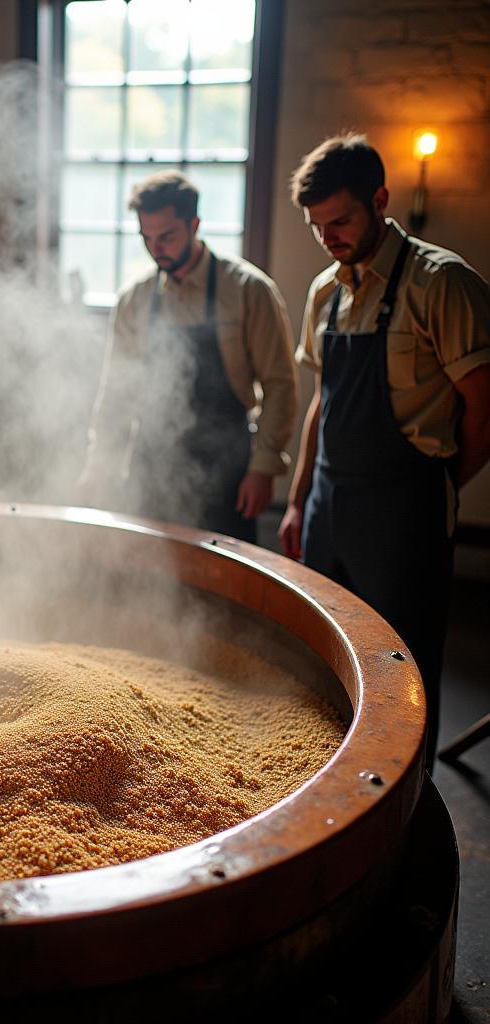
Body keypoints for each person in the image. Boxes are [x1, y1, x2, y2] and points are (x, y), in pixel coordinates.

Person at [279, 133, 490, 765]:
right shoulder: (326, 291)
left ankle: (404, 805)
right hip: (329, 502)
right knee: (323, 652)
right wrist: (297, 501)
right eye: (318, 226)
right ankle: (325, 781)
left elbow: (484, 404)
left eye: (340, 220)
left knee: (404, 670)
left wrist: (443, 488)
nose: (329, 237)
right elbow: (325, 401)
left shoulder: (441, 282)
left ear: (380, 199)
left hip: (404, 507)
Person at [78, 171, 298, 543]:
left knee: (225, 588)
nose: (156, 248)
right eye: (147, 238)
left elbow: (279, 385)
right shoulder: (135, 300)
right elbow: (116, 393)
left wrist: (264, 468)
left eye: (166, 236)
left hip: (226, 469)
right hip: (151, 466)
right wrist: (98, 464)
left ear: (194, 224)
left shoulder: (248, 290)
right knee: (150, 581)